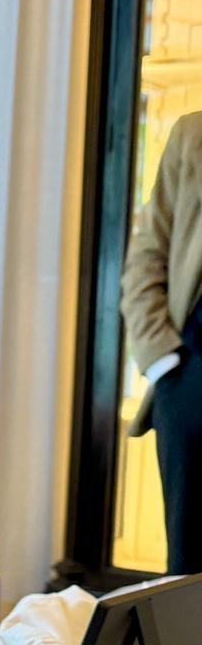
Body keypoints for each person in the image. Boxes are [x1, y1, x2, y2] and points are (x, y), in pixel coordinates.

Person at [120, 111, 202, 575]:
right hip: (191, 377)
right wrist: (163, 362)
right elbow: (147, 255)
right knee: (188, 571)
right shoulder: (192, 134)